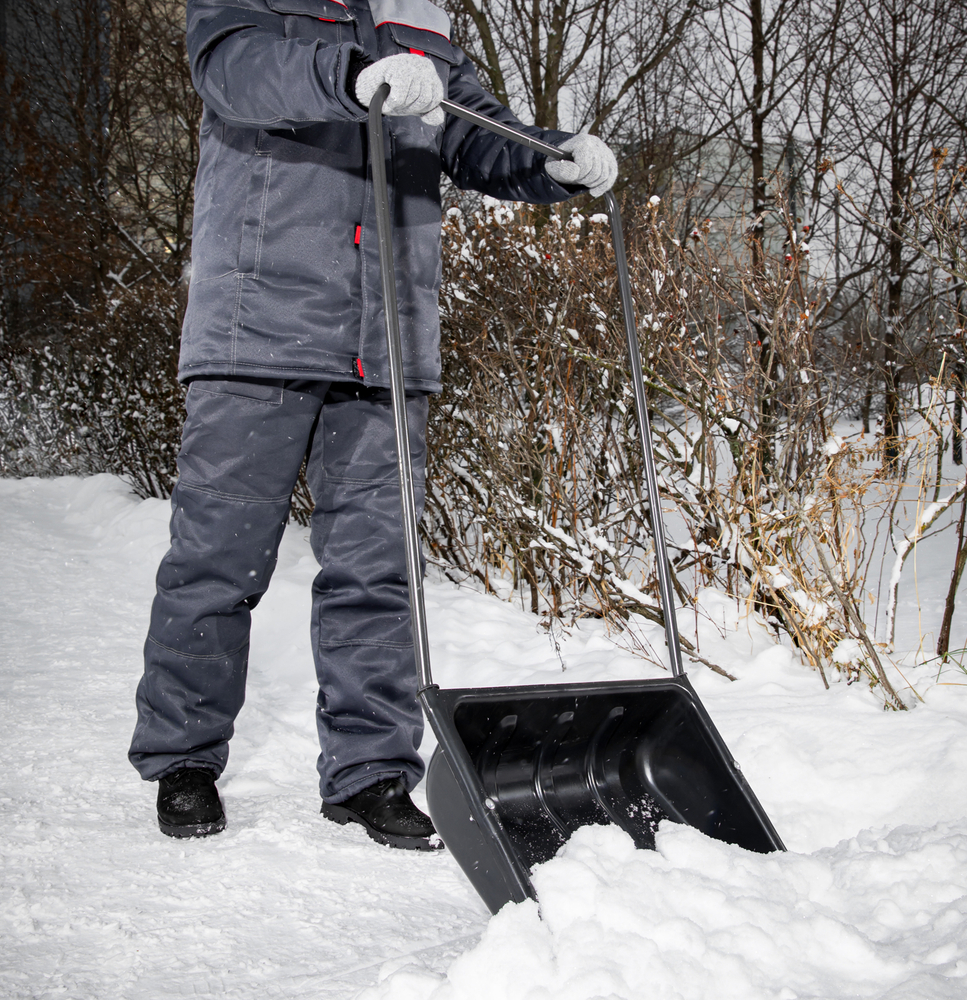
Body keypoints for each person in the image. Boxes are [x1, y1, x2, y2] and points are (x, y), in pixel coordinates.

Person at [128, 0, 618, 850]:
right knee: (216, 557)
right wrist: (350, 79)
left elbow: (472, 134)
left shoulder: (419, 13)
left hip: (386, 333)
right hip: (259, 322)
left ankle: (372, 774)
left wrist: (553, 162)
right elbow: (232, 70)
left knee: (378, 569)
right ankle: (185, 761)